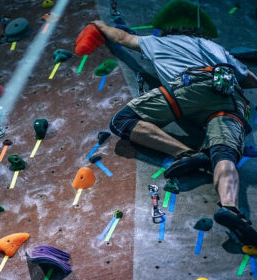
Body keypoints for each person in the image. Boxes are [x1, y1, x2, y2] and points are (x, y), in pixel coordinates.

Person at [92, 20, 257, 246]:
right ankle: (230, 207)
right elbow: (249, 79)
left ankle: (186, 152)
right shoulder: (218, 49)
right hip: (228, 98)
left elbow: (121, 38)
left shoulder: (157, 42)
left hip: (187, 90)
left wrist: (99, 24)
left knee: (122, 120)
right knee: (225, 153)